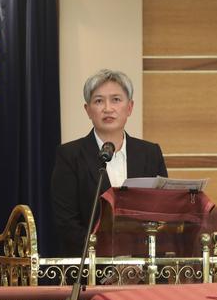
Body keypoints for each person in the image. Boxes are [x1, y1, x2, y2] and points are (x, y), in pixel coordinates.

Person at [51, 69, 168, 256]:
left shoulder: (150, 153)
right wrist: (106, 261)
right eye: (98, 101)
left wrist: (137, 261)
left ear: (129, 107)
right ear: (87, 110)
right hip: (91, 268)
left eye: (116, 99)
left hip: (144, 267)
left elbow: (162, 212)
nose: (107, 108)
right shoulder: (70, 155)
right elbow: (67, 223)